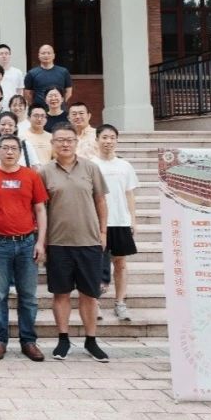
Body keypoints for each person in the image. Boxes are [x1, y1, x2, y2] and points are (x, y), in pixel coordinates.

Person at [40, 123, 110, 362]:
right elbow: (40, 209)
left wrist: (103, 232)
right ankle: (63, 339)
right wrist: (43, 241)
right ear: (52, 144)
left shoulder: (91, 168)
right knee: (61, 293)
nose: (65, 144)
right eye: (59, 140)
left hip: (88, 241)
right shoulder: (45, 172)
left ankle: (91, 341)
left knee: (89, 294)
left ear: (76, 142)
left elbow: (100, 201)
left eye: (69, 140)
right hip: (58, 243)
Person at [0, 133, 49, 362]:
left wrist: (40, 241)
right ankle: (0, 340)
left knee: (28, 295)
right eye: (5, 148)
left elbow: (40, 210)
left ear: (20, 152)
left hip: (27, 242)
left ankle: (28, 341)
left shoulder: (31, 175)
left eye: (14, 148)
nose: (9, 152)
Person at [94, 124, 139, 322]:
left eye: (112, 137)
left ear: (117, 141)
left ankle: (120, 303)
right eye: (104, 137)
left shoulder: (125, 166)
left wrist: (133, 219)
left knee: (120, 264)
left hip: (120, 221)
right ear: (97, 140)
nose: (108, 141)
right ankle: (94, 303)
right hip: (98, 222)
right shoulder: (91, 165)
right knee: (95, 264)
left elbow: (129, 194)